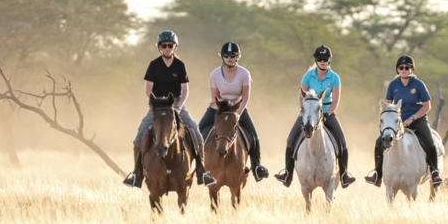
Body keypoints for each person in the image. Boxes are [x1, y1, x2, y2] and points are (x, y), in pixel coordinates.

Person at [123, 30, 216, 188]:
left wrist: (178, 107)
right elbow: (148, 90)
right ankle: (136, 175)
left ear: (175, 47)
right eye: (164, 45)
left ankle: (202, 172)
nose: (167, 48)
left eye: (170, 45)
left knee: (197, 134)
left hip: (177, 105)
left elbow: (185, 90)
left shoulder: (180, 65)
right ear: (160, 47)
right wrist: (155, 103)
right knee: (139, 137)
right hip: (157, 106)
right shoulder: (154, 65)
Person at [274, 45, 356, 188]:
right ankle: (288, 173)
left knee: (342, 142)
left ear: (329, 61)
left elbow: (335, 100)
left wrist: (326, 113)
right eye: (319, 59)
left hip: (326, 112)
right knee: (290, 139)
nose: (322, 61)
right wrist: (305, 111)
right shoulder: (307, 76)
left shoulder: (335, 77)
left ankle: (343, 174)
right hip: (308, 113)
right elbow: (301, 97)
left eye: (325, 59)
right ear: (316, 60)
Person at [364, 55, 443, 187]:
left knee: (430, 142)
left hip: (418, 120)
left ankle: (435, 173)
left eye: (407, 67)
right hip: (397, 122)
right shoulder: (393, 85)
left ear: (412, 69)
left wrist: (412, 118)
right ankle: (377, 174)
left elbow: (427, 106)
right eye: (401, 68)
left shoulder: (419, 84)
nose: (404, 70)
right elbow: (388, 106)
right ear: (397, 70)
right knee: (379, 142)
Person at [198, 42, 270, 182]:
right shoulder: (215, 74)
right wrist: (221, 112)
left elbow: (246, 95)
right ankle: (198, 169)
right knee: (198, 132)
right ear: (222, 57)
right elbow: (214, 96)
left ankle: (257, 168)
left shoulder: (244, 73)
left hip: (238, 107)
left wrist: (238, 112)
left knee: (254, 135)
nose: (229, 58)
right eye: (226, 55)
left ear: (237, 57)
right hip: (218, 107)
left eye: (232, 55)